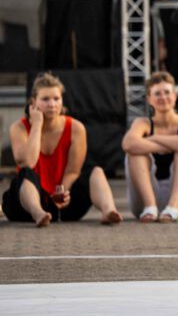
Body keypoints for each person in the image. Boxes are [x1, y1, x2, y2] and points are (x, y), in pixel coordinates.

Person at [2, 72, 122, 226]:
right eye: (45, 99)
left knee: (96, 171)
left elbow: (72, 171)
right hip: (25, 206)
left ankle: (109, 211)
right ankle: (39, 213)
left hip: (62, 204)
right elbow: (28, 162)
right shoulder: (19, 128)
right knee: (25, 173)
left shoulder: (76, 128)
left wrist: (63, 193)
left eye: (56, 98)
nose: (52, 104)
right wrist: (37, 124)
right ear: (33, 102)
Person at [122, 72, 178, 222]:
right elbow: (128, 144)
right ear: (149, 99)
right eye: (157, 93)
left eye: (167, 92)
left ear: (175, 95)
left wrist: (155, 138)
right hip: (144, 201)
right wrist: (171, 144)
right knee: (135, 153)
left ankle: (174, 208)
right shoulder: (142, 123)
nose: (163, 97)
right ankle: (150, 207)